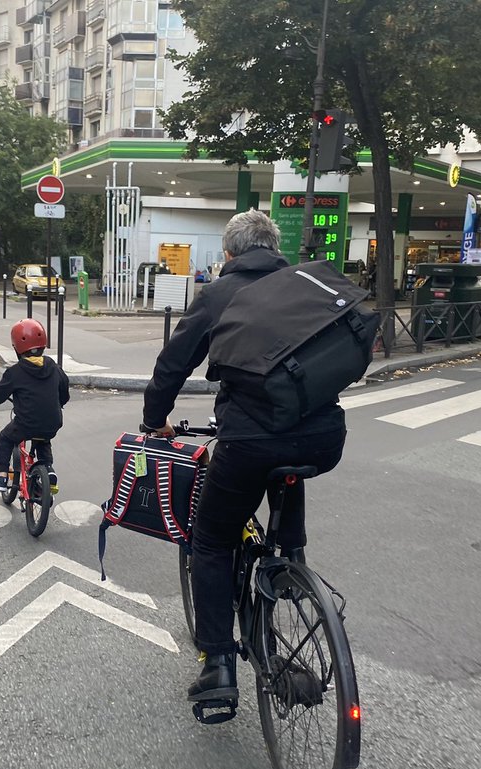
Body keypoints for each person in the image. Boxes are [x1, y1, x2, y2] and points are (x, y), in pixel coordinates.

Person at [141, 209, 348, 707]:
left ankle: (218, 665)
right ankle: (289, 562)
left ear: (230, 255)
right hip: (324, 437)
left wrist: (154, 420)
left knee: (211, 540)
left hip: (250, 440)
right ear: (274, 248)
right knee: (289, 472)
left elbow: (172, 365)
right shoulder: (306, 286)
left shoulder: (219, 295)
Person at [0, 318, 70, 494]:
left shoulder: (15, 372)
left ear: (16, 348)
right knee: (43, 439)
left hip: (26, 424)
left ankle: (1, 476)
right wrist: (59, 403)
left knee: (6, 438)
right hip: (53, 422)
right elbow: (65, 390)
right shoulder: (53, 366)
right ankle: (48, 469)